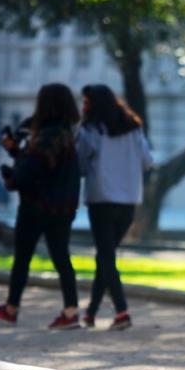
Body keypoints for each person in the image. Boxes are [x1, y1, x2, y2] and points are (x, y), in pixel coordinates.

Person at [0, 83, 81, 330]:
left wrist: (12, 176)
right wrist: (16, 151)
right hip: (62, 208)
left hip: (37, 206)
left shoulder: (46, 135)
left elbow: (32, 169)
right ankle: (71, 311)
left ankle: (11, 309)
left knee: (22, 258)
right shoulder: (66, 133)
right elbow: (42, 165)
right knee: (62, 258)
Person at [76, 84, 153, 330]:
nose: (83, 106)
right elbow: (148, 161)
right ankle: (90, 312)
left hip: (101, 200)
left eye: (86, 102)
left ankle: (121, 311)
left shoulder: (91, 129)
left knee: (106, 256)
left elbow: (79, 162)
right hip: (128, 201)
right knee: (105, 256)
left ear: (95, 104)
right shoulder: (133, 129)